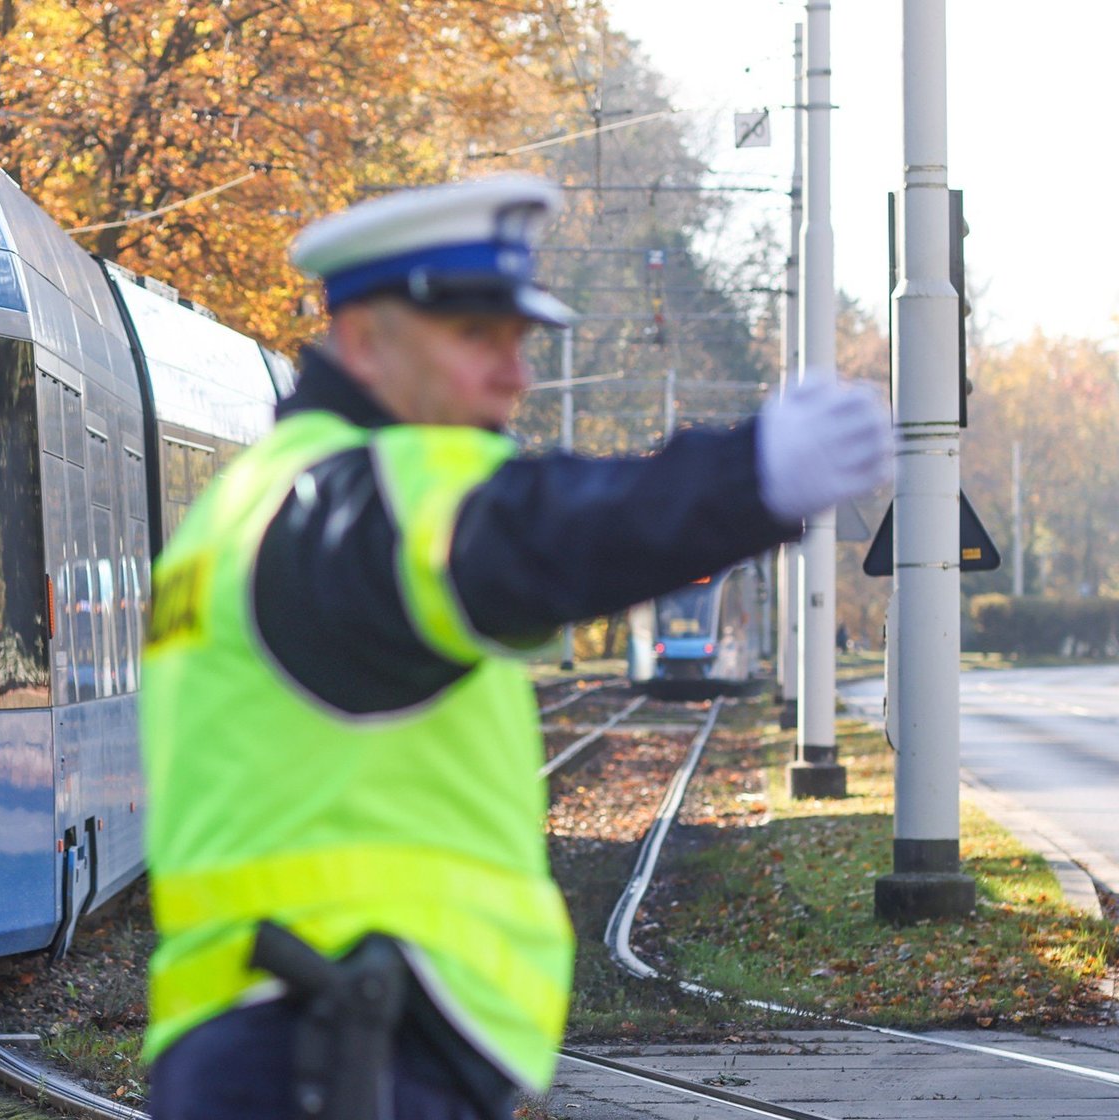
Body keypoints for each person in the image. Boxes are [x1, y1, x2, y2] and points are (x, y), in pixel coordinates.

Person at [139, 174, 891, 1120]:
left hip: (282, 1032)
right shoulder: (354, 500)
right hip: (335, 1039)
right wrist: (746, 478)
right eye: (475, 337)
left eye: (519, 341)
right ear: (365, 340)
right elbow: (528, 535)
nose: (516, 375)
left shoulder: (241, 510)